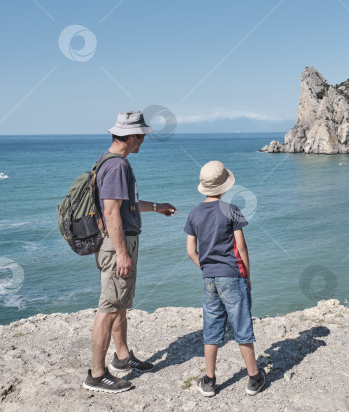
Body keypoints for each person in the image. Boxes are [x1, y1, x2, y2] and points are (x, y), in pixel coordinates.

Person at [83, 111, 177, 393]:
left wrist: (156, 206)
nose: (143, 141)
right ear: (132, 136)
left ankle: (122, 357)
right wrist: (122, 253)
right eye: (142, 136)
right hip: (117, 244)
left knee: (120, 303)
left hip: (119, 241)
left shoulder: (109, 162)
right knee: (109, 308)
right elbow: (111, 212)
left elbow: (126, 205)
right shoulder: (117, 167)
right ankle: (97, 376)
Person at [185, 160, 266, 397]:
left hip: (209, 277)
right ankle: (254, 378)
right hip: (233, 276)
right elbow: (241, 247)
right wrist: (247, 277)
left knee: (211, 328)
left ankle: (209, 380)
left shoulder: (194, 213)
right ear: (224, 187)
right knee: (242, 326)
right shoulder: (231, 210)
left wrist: (207, 267)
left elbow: (191, 251)